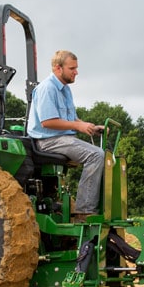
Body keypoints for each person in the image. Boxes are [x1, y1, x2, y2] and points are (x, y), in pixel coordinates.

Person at [27, 50, 105, 220]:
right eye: (72, 68)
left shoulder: (65, 90)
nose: (76, 72)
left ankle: (92, 207)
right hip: (47, 140)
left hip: (63, 138)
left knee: (106, 156)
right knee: (96, 155)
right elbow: (48, 122)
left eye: (76, 68)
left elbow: (71, 118)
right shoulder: (47, 88)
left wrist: (88, 126)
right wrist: (78, 125)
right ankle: (84, 212)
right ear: (58, 68)